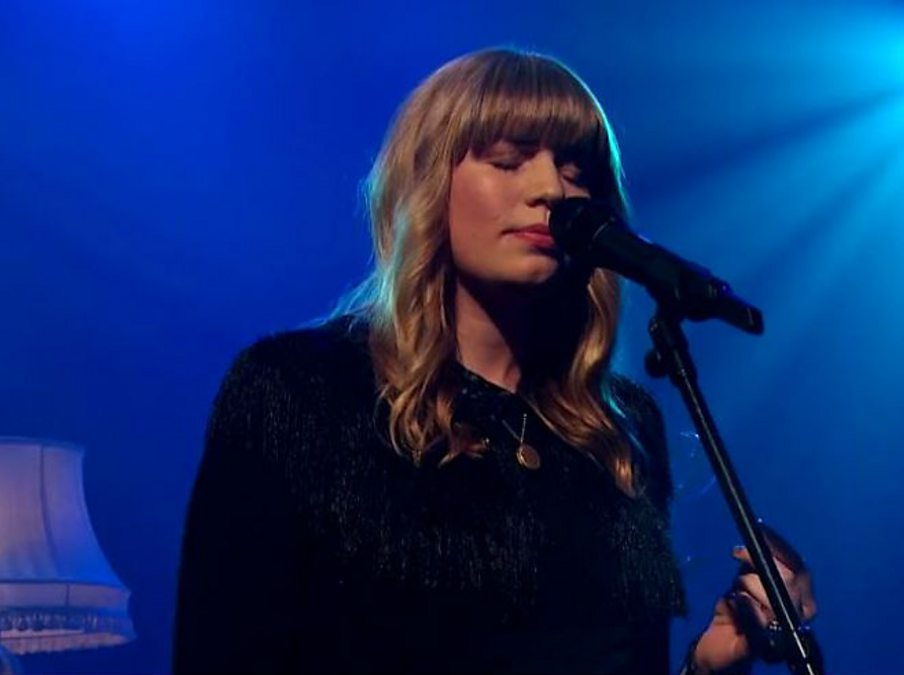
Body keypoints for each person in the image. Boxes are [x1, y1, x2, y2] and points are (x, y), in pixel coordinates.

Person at [173, 47, 816, 674]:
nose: (550, 189)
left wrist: (708, 667)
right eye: (509, 160)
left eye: (574, 170)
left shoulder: (618, 430)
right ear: (428, 182)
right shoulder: (299, 391)